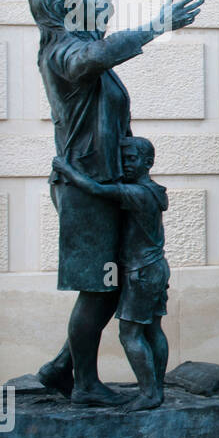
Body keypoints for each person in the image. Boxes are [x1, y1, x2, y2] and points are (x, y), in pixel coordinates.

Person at [32, 0, 201, 404]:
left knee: (110, 284)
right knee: (100, 289)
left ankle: (62, 367)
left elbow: (98, 26)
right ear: (62, 9)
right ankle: (82, 383)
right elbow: (96, 53)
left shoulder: (77, 39)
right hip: (87, 186)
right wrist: (157, 25)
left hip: (106, 181)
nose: (88, 3)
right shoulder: (64, 55)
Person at [53, 137, 170, 411]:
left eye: (132, 159)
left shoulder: (137, 193)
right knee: (152, 329)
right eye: (124, 158)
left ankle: (150, 393)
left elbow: (94, 189)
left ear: (148, 162)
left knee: (130, 334)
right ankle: (156, 389)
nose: (126, 164)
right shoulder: (154, 191)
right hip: (154, 269)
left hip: (140, 273)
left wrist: (66, 168)